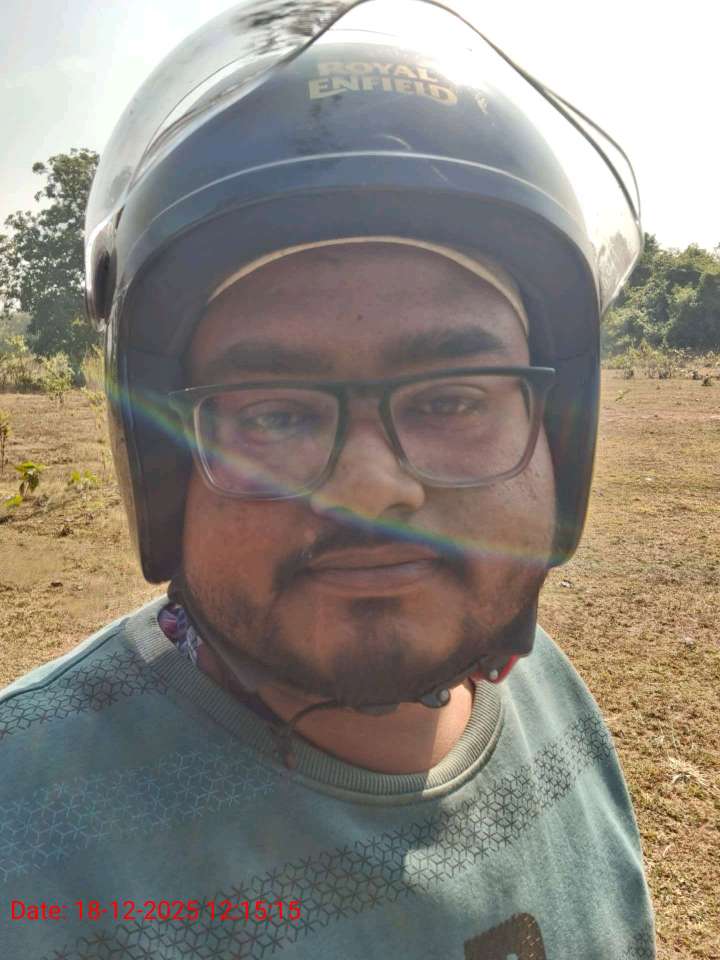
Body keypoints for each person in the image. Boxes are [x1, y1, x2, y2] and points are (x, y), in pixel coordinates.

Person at [0, 1, 656, 957]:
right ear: (165, 474)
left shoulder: (555, 698)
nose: (368, 489)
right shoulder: (27, 835)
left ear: (558, 435)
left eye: (451, 400)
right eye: (275, 415)